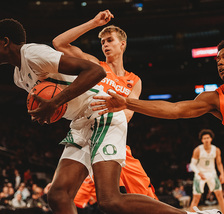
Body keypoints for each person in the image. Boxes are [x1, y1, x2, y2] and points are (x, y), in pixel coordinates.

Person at [0, 18, 220, 214]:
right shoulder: (19, 77)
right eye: (103, 41)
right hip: (81, 123)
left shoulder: (34, 54)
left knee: (110, 201)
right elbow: (55, 96)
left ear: (6, 41)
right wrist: (47, 110)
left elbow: (94, 73)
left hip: (105, 116)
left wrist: (56, 102)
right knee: (58, 195)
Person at [92, 37, 224, 214]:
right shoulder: (215, 99)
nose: (220, 63)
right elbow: (174, 109)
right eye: (218, 60)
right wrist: (127, 103)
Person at [52, 9, 157, 200]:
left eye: (110, 40)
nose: (105, 45)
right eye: (102, 42)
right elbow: (59, 43)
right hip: (88, 135)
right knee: (68, 197)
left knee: (145, 192)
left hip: (114, 139)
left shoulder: (135, 81)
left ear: (122, 44)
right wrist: (93, 23)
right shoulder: (96, 66)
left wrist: (113, 110)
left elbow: (128, 114)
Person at [189, 129, 224, 214]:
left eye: (208, 138)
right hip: (200, 174)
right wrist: (198, 173)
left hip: (212, 173)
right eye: (204, 138)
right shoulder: (197, 150)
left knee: (220, 196)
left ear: (211, 139)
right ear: (202, 140)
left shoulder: (216, 150)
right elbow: (192, 165)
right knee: (196, 198)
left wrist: (222, 174)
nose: (206, 140)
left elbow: (219, 163)